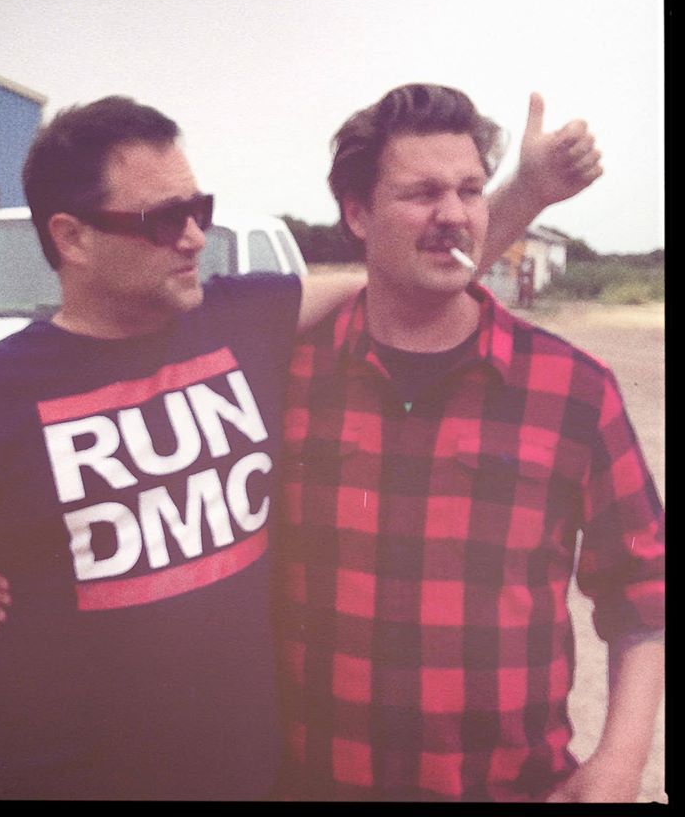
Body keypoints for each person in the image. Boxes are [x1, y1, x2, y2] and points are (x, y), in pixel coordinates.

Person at [0, 92, 603, 800]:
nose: (194, 237)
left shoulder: (245, 319)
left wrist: (527, 191)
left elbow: (411, 273)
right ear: (72, 237)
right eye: (163, 219)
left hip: (245, 781)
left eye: (199, 210)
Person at [276, 84, 664, 802]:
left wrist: (620, 763)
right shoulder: (285, 380)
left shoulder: (573, 389)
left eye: (470, 191)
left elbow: (646, 591)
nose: (453, 214)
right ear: (357, 214)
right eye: (422, 192)